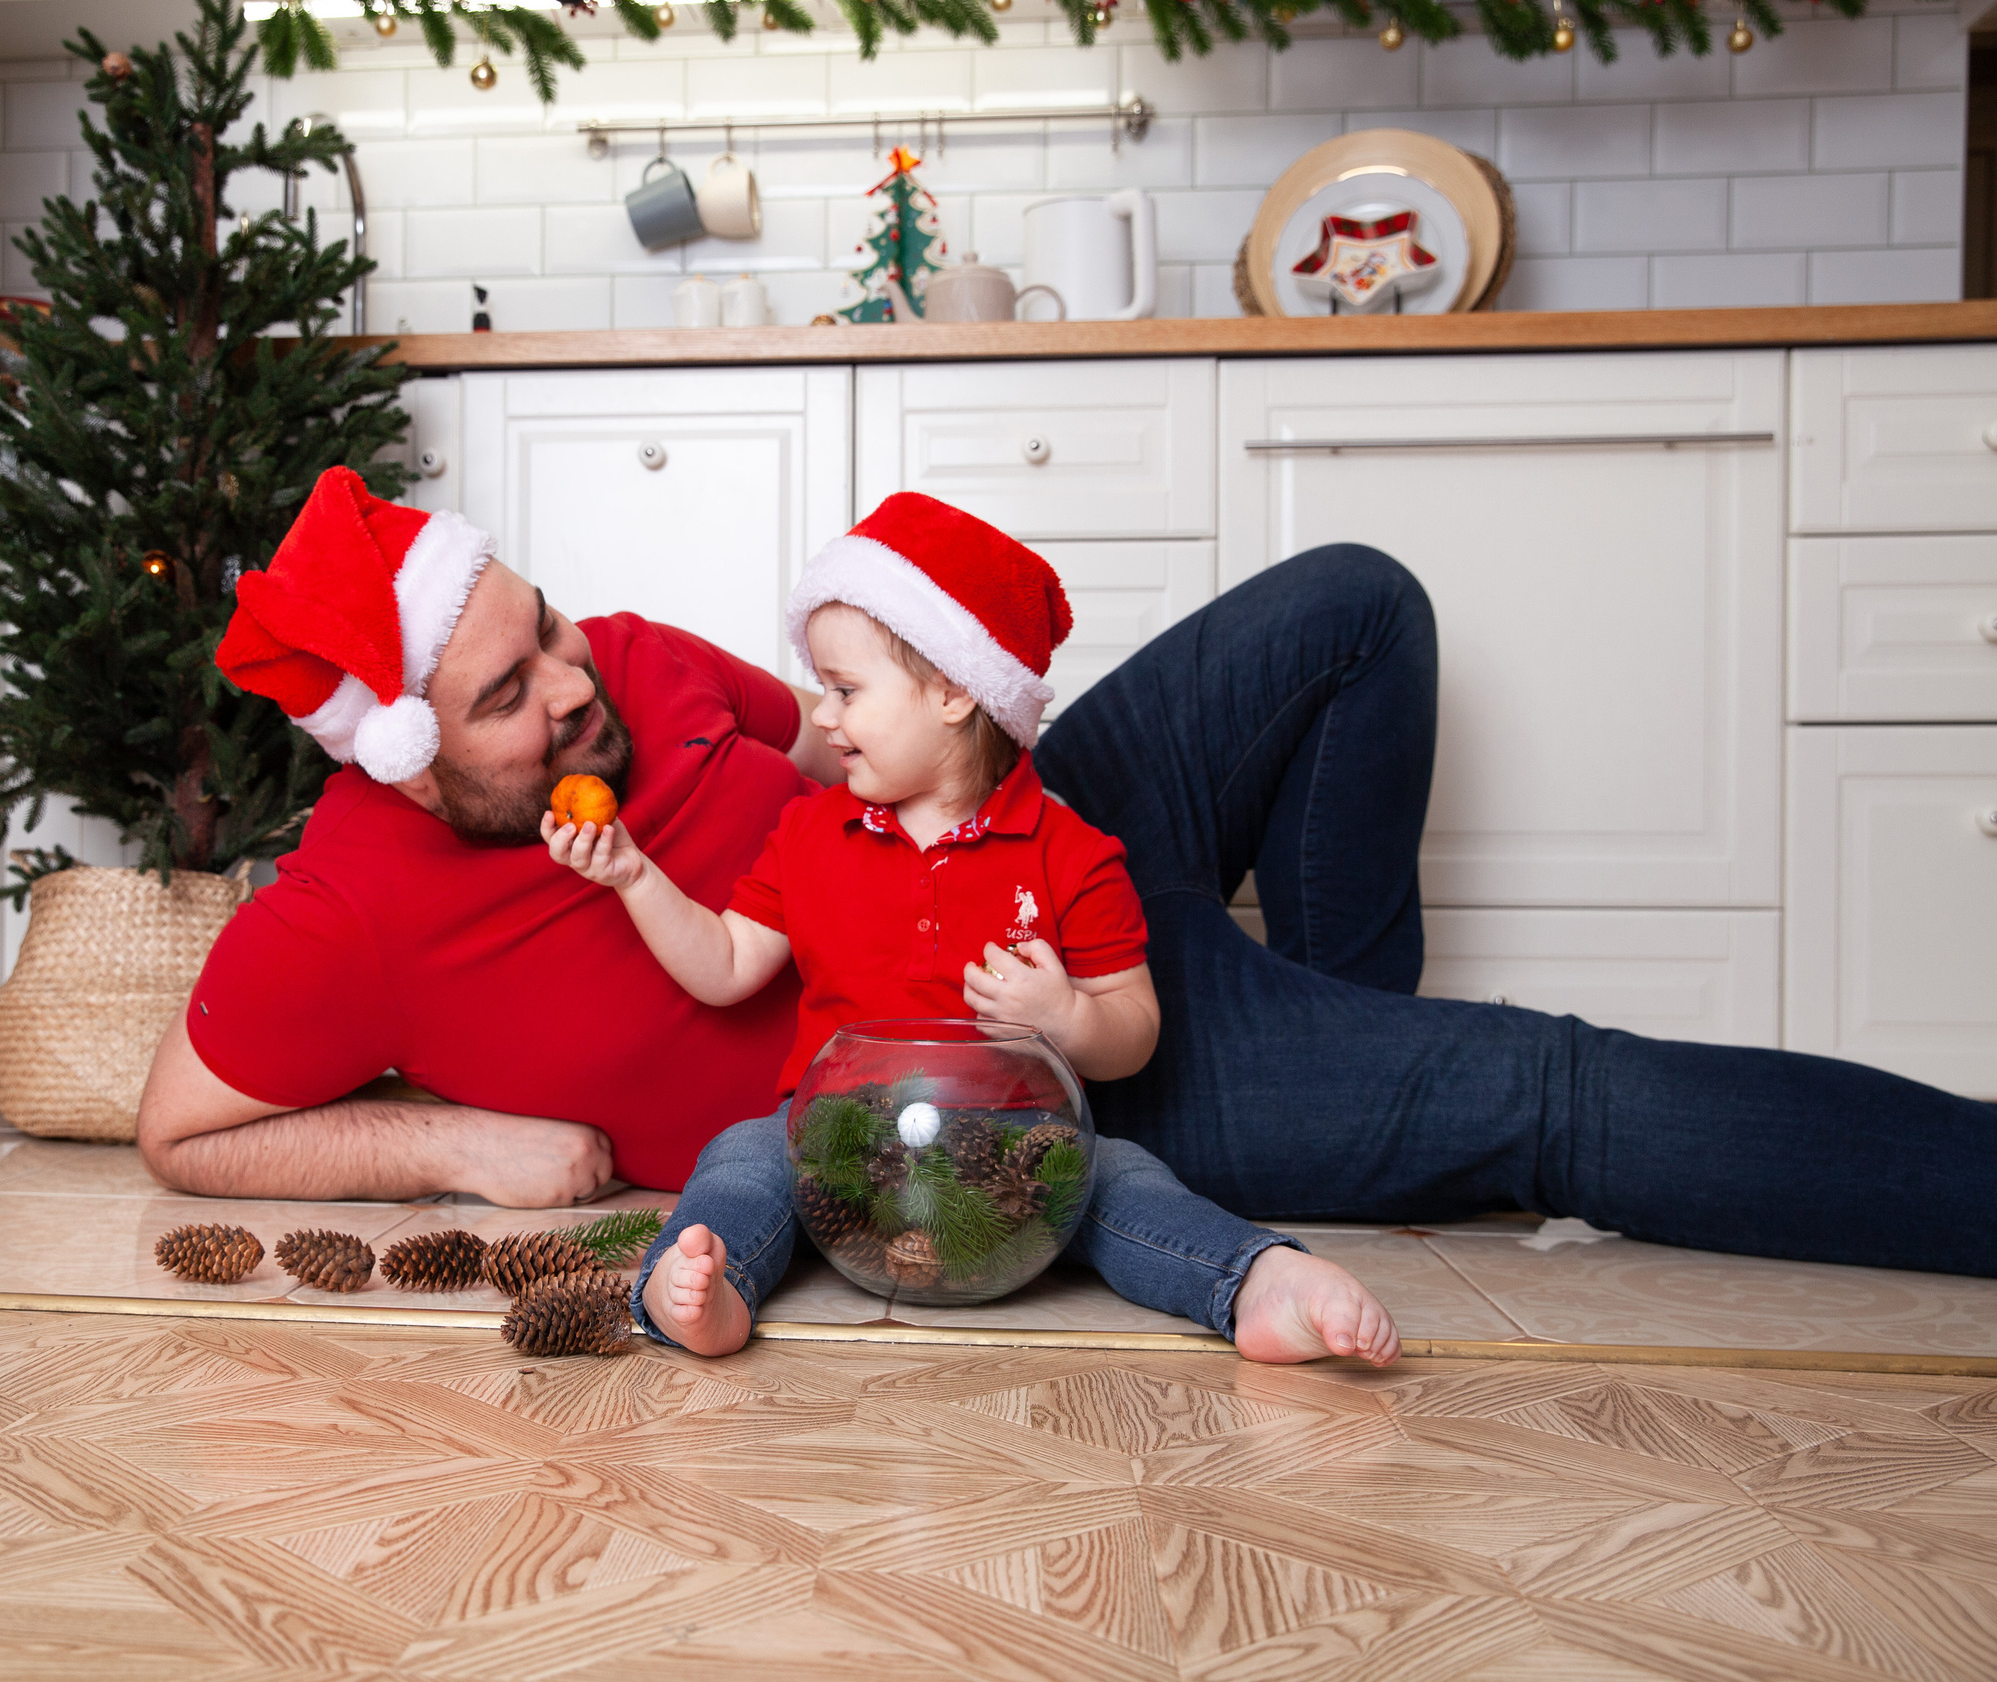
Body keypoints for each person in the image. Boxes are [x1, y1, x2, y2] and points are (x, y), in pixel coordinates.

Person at [138, 467, 1995, 1291]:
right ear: (400, 746)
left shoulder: (627, 648)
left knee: (1352, 604)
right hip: (1026, 1057)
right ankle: (1361, 1094)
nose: (576, 684)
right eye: (509, 696)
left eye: (545, 629)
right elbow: (179, 1130)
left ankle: (1356, 1058)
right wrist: (462, 1146)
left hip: (1035, 853)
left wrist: (974, 773)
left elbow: (832, 743)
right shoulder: (343, 915)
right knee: (1554, 1093)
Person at [542, 493, 1402, 1364]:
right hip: (835, 1131)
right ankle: (700, 1288)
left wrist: (1064, 1014)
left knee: (1122, 1174)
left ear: (954, 691)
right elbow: (724, 965)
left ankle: (1253, 1281)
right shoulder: (808, 833)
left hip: (1013, 1140)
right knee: (743, 1156)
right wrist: (632, 874)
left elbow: (1134, 1031)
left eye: (845, 689)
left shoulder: (1071, 850)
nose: (824, 715)